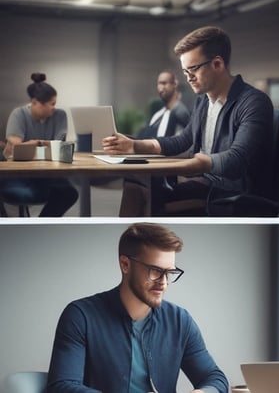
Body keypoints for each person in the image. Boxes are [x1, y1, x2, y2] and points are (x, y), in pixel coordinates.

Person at [102, 26, 274, 216]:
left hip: (234, 193)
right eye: (185, 72)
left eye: (192, 70)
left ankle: (150, 234)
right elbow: (184, 140)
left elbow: (237, 160)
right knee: (136, 182)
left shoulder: (253, 102)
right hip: (209, 183)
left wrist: (196, 164)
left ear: (217, 64)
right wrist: (135, 145)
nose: (188, 78)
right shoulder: (204, 100)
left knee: (151, 197)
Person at [47, 222, 228, 392]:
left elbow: (215, 378)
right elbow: (62, 386)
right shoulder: (80, 316)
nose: (164, 282)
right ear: (125, 264)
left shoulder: (180, 320)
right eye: (155, 271)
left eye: (170, 272)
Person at [0, 73, 78, 217]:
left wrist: (37, 143)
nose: (54, 108)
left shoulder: (60, 115)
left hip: (48, 174)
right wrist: (47, 145)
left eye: (55, 104)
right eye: (51, 104)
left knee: (69, 193)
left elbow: (61, 147)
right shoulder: (19, 114)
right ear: (35, 102)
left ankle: (41, 225)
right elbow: (16, 147)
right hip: (18, 175)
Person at [137, 70, 191, 139]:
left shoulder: (181, 112)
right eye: (159, 84)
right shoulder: (158, 112)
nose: (161, 88)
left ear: (174, 84)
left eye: (164, 83)